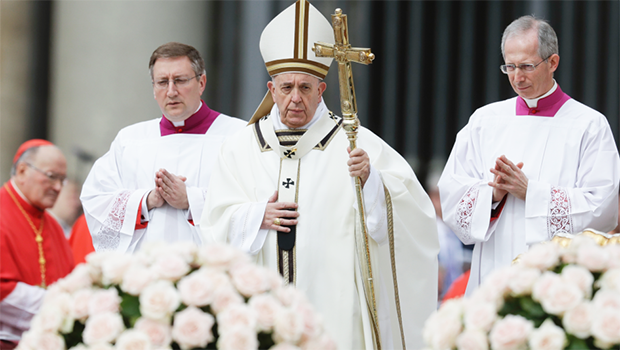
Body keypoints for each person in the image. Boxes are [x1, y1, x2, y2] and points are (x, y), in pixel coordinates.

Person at [201, 1, 439, 349]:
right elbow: (213, 223)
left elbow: (412, 216)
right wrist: (255, 217)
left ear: (321, 90)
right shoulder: (240, 148)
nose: (295, 98)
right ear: (271, 90)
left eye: (305, 88)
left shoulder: (357, 143)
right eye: (286, 88)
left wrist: (371, 182)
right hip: (260, 307)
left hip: (335, 310)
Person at [438, 15, 620, 295]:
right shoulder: (485, 121)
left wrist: (531, 192)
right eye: (509, 66)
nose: (517, 77)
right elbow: (451, 194)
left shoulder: (589, 125)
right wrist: (493, 195)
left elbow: (602, 208)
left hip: (557, 281)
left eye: (526, 66)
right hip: (494, 270)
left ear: (553, 62)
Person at [80, 42, 246, 253]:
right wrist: (146, 200)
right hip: (146, 274)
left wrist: (190, 199)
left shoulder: (238, 135)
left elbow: (253, 204)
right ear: (153, 88)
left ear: (201, 82)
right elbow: (96, 200)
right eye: (162, 82)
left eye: (179, 80)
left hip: (211, 273)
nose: (171, 91)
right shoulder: (130, 140)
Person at [0, 140, 75, 349]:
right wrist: (55, 304)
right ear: (23, 171)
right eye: (52, 177)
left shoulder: (53, 226)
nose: (58, 187)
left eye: (63, 180)